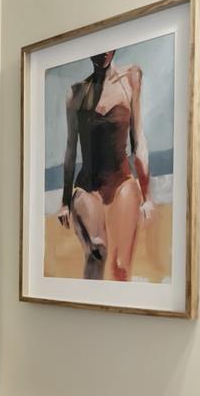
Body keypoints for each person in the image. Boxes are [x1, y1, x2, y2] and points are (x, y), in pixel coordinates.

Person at [57, 50, 153, 280]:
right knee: (97, 251)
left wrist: (147, 195)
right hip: (88, 187)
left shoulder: (131, 78)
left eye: (107, 49)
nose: (103, 54)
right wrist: (64, 201)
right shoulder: (76, 94)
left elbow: (138, 140)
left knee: (121, 267)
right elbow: (71, 149)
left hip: (122, 182)